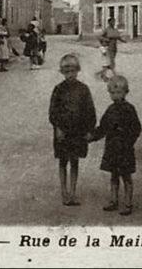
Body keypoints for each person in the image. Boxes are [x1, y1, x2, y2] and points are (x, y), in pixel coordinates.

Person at [88, 74, 142, 216]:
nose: (115, 95)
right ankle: (113, 200)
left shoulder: (130, 109)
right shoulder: (110, 110)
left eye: (119, 92)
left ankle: (128, 204)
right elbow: (103, 128)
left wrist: (129, 142)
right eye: (112, 93)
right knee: (114, 176)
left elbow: (136, 128)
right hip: (112, 148)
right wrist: (92, 136)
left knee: (126, 177)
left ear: (125, 92)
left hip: (125, 149)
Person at [48, 53, 96, 206]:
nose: (70, 75)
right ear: (62, 72)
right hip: (62, 132)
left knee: (75, 161)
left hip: (78, 132)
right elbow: (53, 111)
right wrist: (57, 127)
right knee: (63, 161)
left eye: (73, 71)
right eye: (66, 71)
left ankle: (73, 192)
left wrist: (90, 130)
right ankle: (64, 192)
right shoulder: (58, 89)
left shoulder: (83, 89)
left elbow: (90, 111)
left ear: (78, 71)